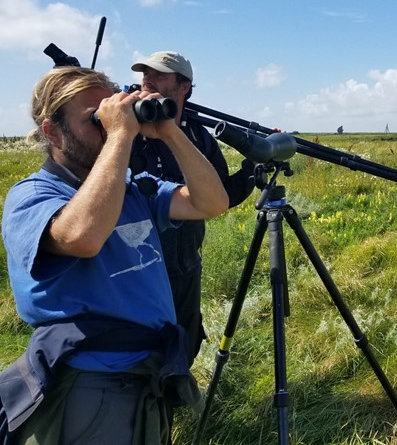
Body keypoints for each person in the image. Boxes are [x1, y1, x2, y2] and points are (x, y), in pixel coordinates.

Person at [0, 66, 229, 444]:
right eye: (96, 120)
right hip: (90, 383)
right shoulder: (32, 196)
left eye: (112, 113)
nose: (108, 127)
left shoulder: (132, 188)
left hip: (148, 374)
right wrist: (121, 135)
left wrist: (169, 131)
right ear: (52, 131)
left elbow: (212, 202)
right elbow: (82, 237)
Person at [129, 51, 255, 361]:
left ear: (184, 86)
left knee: (184, 339)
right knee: (141, 347)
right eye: (145, 72)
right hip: (136, 264)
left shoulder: (199, 135)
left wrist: (255, 166)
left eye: (158, 74)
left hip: (185, 263)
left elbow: (220, 195)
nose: (147, 78)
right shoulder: (126, 128)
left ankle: (178, 397)